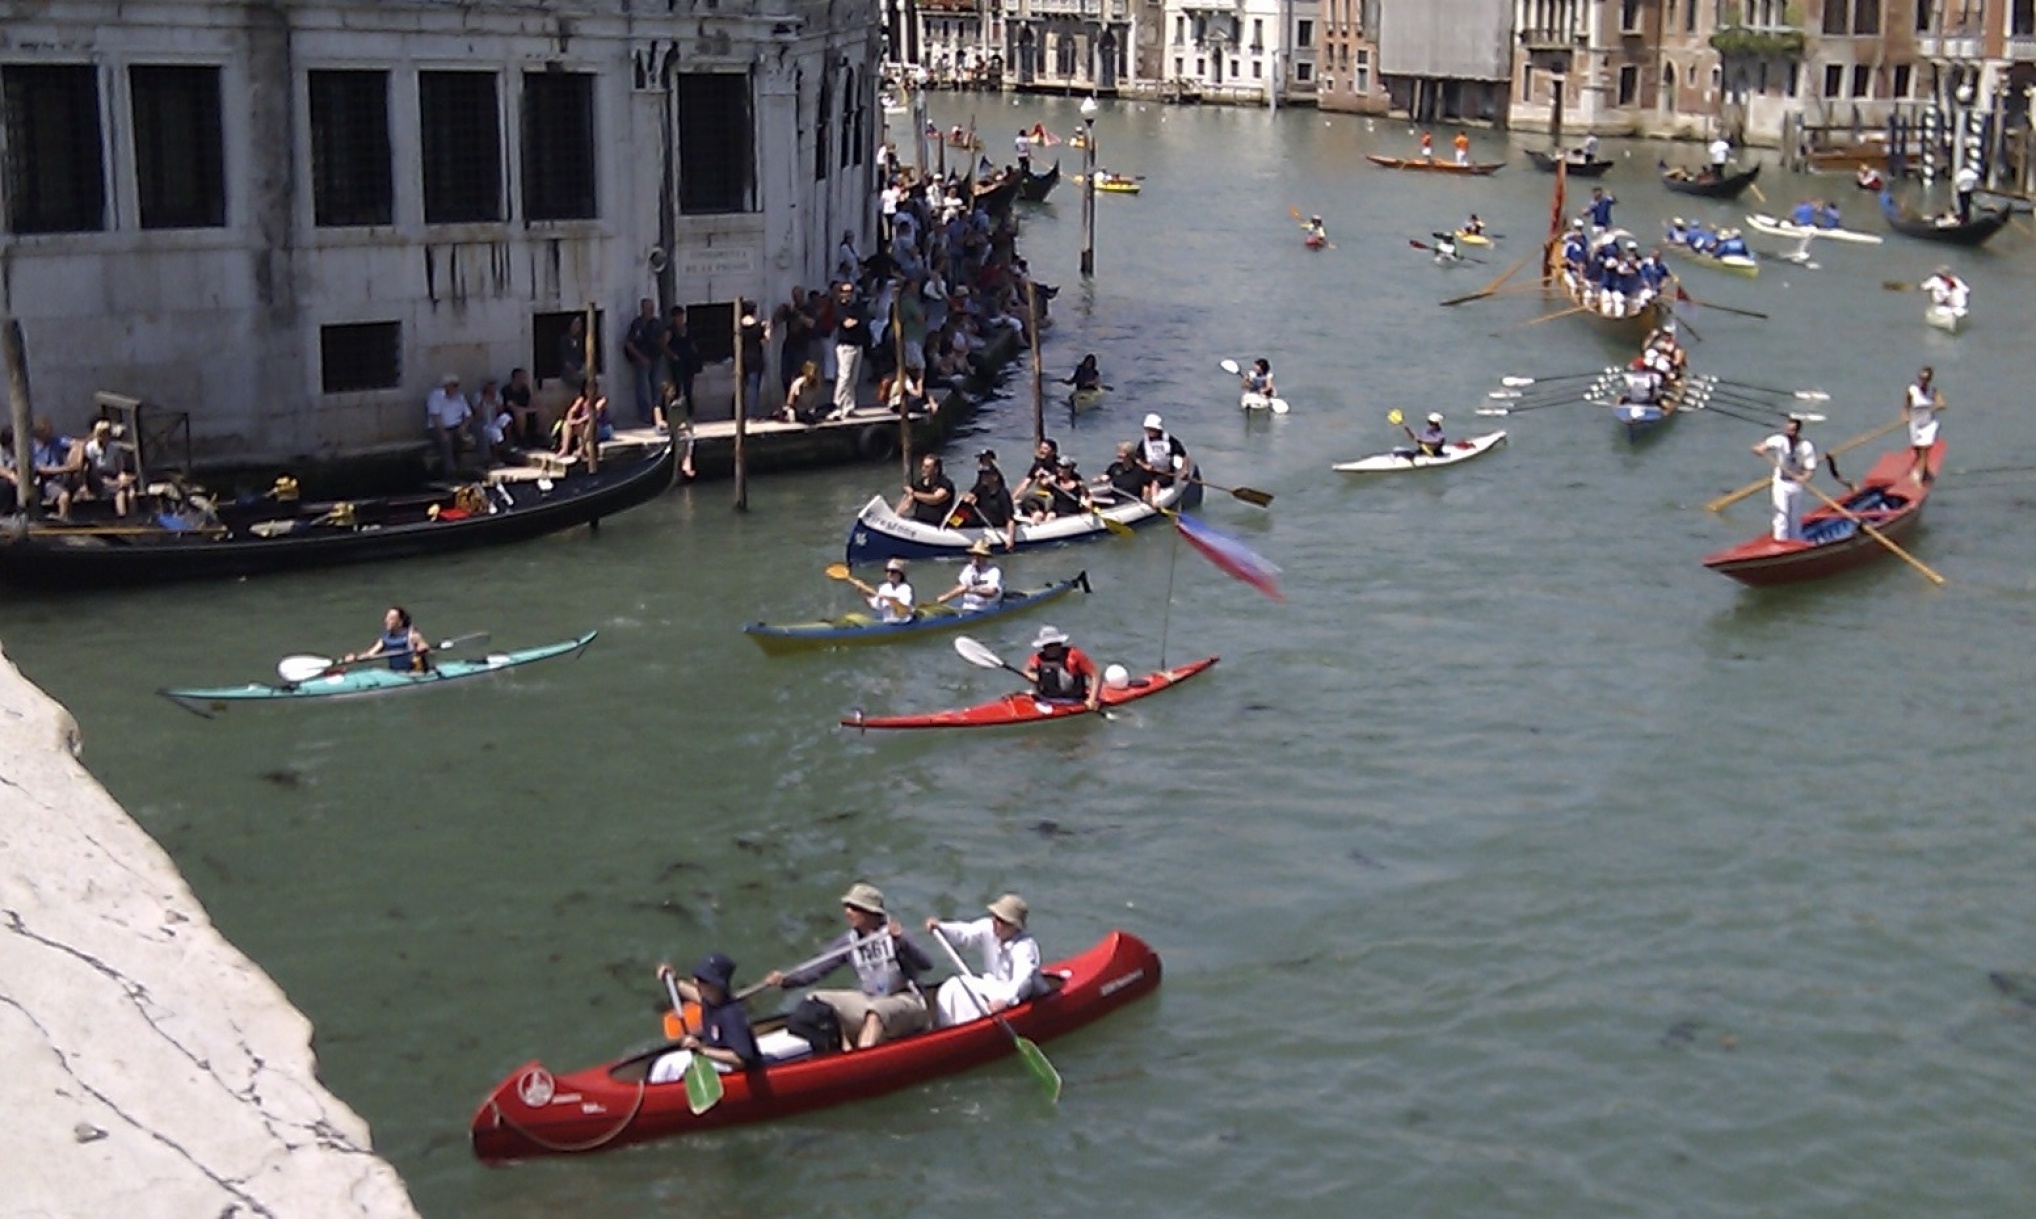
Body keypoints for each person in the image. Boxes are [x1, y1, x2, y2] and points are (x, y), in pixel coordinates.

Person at [766, 883, 931, 1051]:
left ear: (870, 912)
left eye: (854, 908)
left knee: (876, 1012)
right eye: (847, 907)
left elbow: (926, 964)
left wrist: (903, 942)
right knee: (816, 1000)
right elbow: (818, 968)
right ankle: (841, 1050)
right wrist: (786, 980)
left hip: (907, 1001)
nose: (847, 912)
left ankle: (863, 1062)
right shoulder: (848, 941)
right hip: (870, 999)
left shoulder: (894, 934)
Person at [924, 894, 1043, 1029]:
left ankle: (970, 1028)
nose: (995, 922)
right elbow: (965, 933)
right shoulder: (989, 927)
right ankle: (947, 1027)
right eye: (994, 917)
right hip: (993, 984)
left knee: (972, 999)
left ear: (1014, 926)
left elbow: (1022, 980)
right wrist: (940, 927)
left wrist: (1005, 1000)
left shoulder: (1025, 947)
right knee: (953, 985)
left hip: (1018, 996)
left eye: (1001, 920)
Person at [650, 952, 761, 1080]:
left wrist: (702, 1050)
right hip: (713, 1056)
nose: (695, 982)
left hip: (732, 1068)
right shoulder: (710, 999)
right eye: (696, 977)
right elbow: (690, 992)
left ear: (716, 985)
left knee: (673, 1065)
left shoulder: (731, 1015)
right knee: (664, 1064)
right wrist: (671, 980)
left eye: (702, 980)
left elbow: (741, 1060)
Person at [1753, 416, 1816, 543]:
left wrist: (1803, 478)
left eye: (1792, 431)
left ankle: (1796, 541)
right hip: (1781, 484)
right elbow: (1761, 447)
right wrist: (1759, 449)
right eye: (1788, 430)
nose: (1789, 433)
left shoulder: (1806, 446)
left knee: (1794, 517)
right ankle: (1780, 542)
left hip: (1796, 485)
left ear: (1798, 431)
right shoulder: (1780, 440)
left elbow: (1810, 470)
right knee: (1781, 514)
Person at [1022, 626, 1100, 711]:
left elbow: (1095, 675)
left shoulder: (1074, 655)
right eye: (1047, 646)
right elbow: (1025, 671)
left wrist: (1092, 699)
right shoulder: (1038, 658)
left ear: (1060, 643)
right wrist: (1033, 676)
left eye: (1055, 644)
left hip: (1073, 701)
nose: (1051, 649)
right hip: (1045, 700)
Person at [954, 450, 1018, 547]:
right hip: (982, 517)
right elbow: (973, 492)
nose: (983, 477)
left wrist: (1010, 539)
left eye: (986, 475)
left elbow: (1009, 519)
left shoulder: (1002, 492)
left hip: (993, 521)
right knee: (964, 509)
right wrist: (967, 497)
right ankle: (951, 525)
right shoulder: (983, 486)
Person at [343, 607, 430, 673]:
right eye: (387, 618)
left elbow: (427, 649)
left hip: (414, 672)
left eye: (391, 619)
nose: (386, 621)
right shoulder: (385, 638)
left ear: (400, 622)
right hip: (396, 673)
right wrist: (355, 657)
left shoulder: (412, 635)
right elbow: (370, 654)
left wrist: (422, 649)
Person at [623, 297, 665, 427]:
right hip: (641, 360)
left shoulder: (656, 324)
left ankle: (657, 415)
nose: (651, 310)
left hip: (656, 359)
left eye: (652, 308)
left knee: (656, 387)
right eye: (648, 308)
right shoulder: (637, 324)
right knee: (643, 388)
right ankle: (645, 415)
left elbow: (663, 337)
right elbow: (629, 343)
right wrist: (641, 357)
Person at [79, 421, 136, 518]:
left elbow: (120, 469)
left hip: (112, 477)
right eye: (103, 433)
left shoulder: (114, 449)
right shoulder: (90, 448)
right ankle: (123, 517)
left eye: (108, 433)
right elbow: (88, 469)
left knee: (127, 493)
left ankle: (129, 517)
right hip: (97, 478)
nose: (106, 436)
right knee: (118, 490)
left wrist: (122, 478)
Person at [1901, 366, 1945, 485]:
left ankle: (1918, 478)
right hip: (1915, 422)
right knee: (1916, 449)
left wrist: (1935, 406)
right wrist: (1905, 416)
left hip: (1928, 423)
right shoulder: (1912, 389)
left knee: (1924, 449)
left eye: (1925, 378)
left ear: (1929, 379)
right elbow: (1906, 405)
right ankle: (1925, 472)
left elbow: (1942, 403)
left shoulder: (1933, 390)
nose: (1923, 381)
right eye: (1921, 378)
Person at [830, 287, 869, 420]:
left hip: (857, 345)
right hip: (845, 346)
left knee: (853, 379)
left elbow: (862, 320)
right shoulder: (839, 308)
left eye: (850, 291)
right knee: (844, 376)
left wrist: (856, 321)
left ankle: (849, 407)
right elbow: (847, 324)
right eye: (845, 291)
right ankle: (837, 405)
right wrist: (855, 321)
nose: (848, 294)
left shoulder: (858, 307)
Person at [938, 538, 1005, 612]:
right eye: (974, 554)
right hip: (967, 606)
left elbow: (992, 592)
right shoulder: (968, 569)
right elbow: (959, 587)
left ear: (986, 557)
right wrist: (946, 597)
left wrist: (971, 590)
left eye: (979, 555)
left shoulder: (994, 571)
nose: (975, 557)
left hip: (988, 607)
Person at [1134, 413, 1188, 504]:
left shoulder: (1170, 440)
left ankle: (1155, 501)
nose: (1149, 431)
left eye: (1152, 429)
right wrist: (1144, 465)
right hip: (1150, 471)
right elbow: (1137, 458)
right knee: (1145, 487)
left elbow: (1184, 455)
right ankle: (1144, 501)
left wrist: (1184, 470)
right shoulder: (1144, 442)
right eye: (1147, 429)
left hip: (1166, 473)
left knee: (1155, 484)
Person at [844, 557, 916, 624]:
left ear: (900, 574)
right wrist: (864, 592)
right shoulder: (884, 587)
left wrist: (887, 598)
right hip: (888, 623)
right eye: (887, 571)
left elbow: (902, 611)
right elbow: (875, 606)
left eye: (893, 571)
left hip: (903, 623)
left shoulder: (905, 588)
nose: (889, 574)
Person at [425, 373, 471, 475]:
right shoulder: (436, 396)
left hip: (456, 426)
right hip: (438, 428)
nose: (455, 388)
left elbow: (468, 415)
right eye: (453, 385)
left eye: (456, 385)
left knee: (462, 439)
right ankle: (450, 471)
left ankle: (459, 468)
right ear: (446, 386)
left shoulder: (460, 397)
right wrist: (442, 432)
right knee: (446, 440)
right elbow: (435, 417)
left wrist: (464, 427)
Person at [663, 307, 700, 425]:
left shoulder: (687, 329)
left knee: (689, 387)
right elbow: (664, 345)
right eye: (678, 316)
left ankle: (689, 413)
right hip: (677, 362)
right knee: (677, 388)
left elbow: (692, 343)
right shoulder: (670, 330)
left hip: (688, 361)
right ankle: (674, 414)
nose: (680, 319)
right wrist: (673, 356)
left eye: (681, 316)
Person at [897, 453, 954, 525]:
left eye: (927, 467)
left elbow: (936, 499)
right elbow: (908, 499)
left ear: (936, 469)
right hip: (918, 521)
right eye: (923, 465)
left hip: (936, 526)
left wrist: (913, 493)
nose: (923, 469)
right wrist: (897, 514)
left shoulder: (945, 483)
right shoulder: (919, 484)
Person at [502, 367, 541, 449]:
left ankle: (540, 437)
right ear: (516, 378)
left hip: (525, 411)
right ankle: (522, 439)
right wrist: (528, 410)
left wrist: (536, 407)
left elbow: (532, 402)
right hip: (511, 414)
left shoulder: (524, 389)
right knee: (520, 415)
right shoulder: (507, 390)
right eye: (522, 377)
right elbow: (513, 407)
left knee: (544, 412)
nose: (524, 379)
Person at [783, 359, 826, 424]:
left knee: (829, 407)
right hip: (798, 411)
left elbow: (813, 401)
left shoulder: (816, 384)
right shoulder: (799, 383)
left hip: (807, 410)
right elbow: (790, 401)